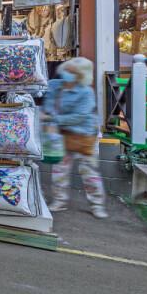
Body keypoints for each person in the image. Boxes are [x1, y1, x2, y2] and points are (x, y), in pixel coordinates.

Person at [43, 56, 107, 219]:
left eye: (73, 71)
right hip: (62, 135)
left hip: (84, 136)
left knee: (89, 172)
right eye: (67, 69)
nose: (68, 73)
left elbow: (80, 116)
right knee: (59, 171)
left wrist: (53, 119)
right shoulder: (54, 85)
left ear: (81, 75)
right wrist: (50, 118)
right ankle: (59, 201)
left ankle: (97, 204)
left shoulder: (86, 91)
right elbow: (48, 106)